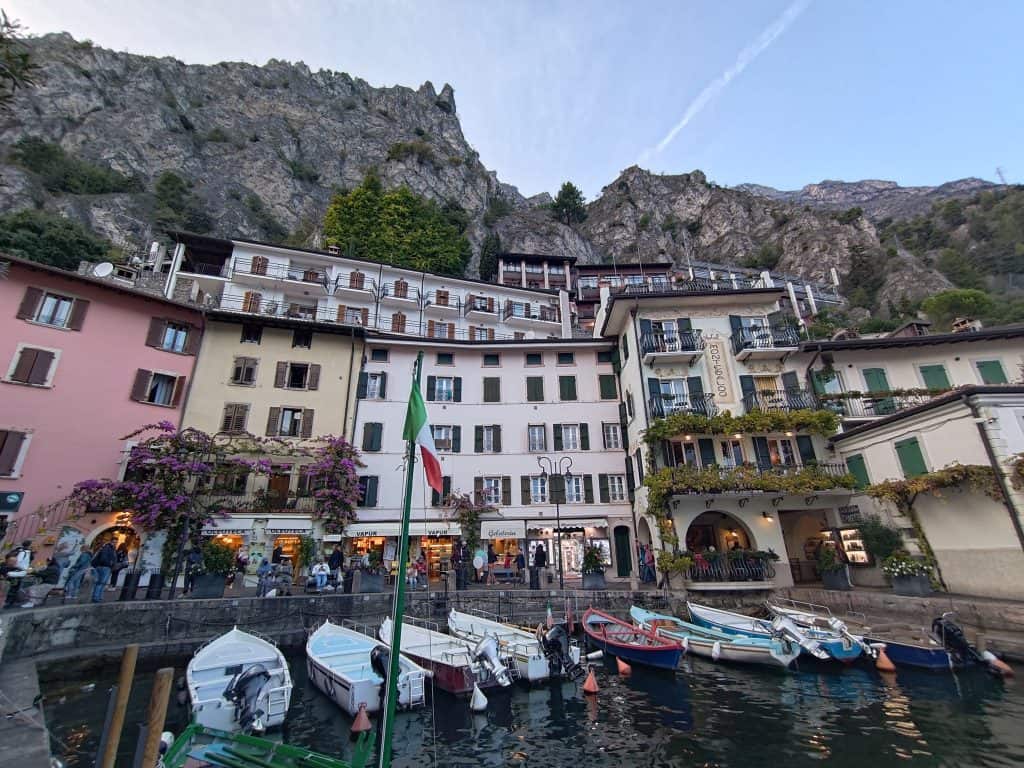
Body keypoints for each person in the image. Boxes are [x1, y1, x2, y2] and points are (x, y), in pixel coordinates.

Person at [3, 540, 34, 609]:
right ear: (29, 545)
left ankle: (9, 602)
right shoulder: (28, 552)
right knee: (14, 587)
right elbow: (29, 560)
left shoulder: (18, 550)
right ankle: (8, 603)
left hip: (13, 571)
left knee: (13, 587)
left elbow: (8, 556)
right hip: (18, 572)